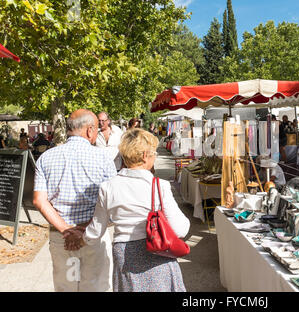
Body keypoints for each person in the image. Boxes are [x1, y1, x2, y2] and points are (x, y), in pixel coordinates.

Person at [80, 128, 189, 292]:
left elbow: (95, 232)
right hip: (157, 249)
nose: (155, 157)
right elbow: (180, 229)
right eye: (154, 153)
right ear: (145, 156)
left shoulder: (107, 187)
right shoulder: (159, 186)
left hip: (124, 254)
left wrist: (77, 236)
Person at [33, 109, 117, 292]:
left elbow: (39, 201)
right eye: (96, 129)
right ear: (89, 130)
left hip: (61, 238)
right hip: (93, 236)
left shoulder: (46, 158)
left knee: (66, 287)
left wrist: (67, 230)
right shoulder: (103, 158)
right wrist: (84, 230)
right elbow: (111, 201)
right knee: (96, 287)